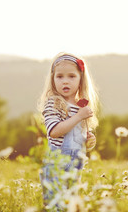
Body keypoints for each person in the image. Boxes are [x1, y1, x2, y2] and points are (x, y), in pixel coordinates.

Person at [38, 53, 99, 210]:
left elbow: (78, 138)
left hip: (75, 166)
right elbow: (54, 131)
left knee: (71, 205)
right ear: (53, 80)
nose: (65, 81)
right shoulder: (54, 103)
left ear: (81, 79)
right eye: (59, 77)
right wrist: (79, 117)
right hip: (57, 164)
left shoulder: (81, 106)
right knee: (56, 205)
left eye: (71, 76)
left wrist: (89, 139)